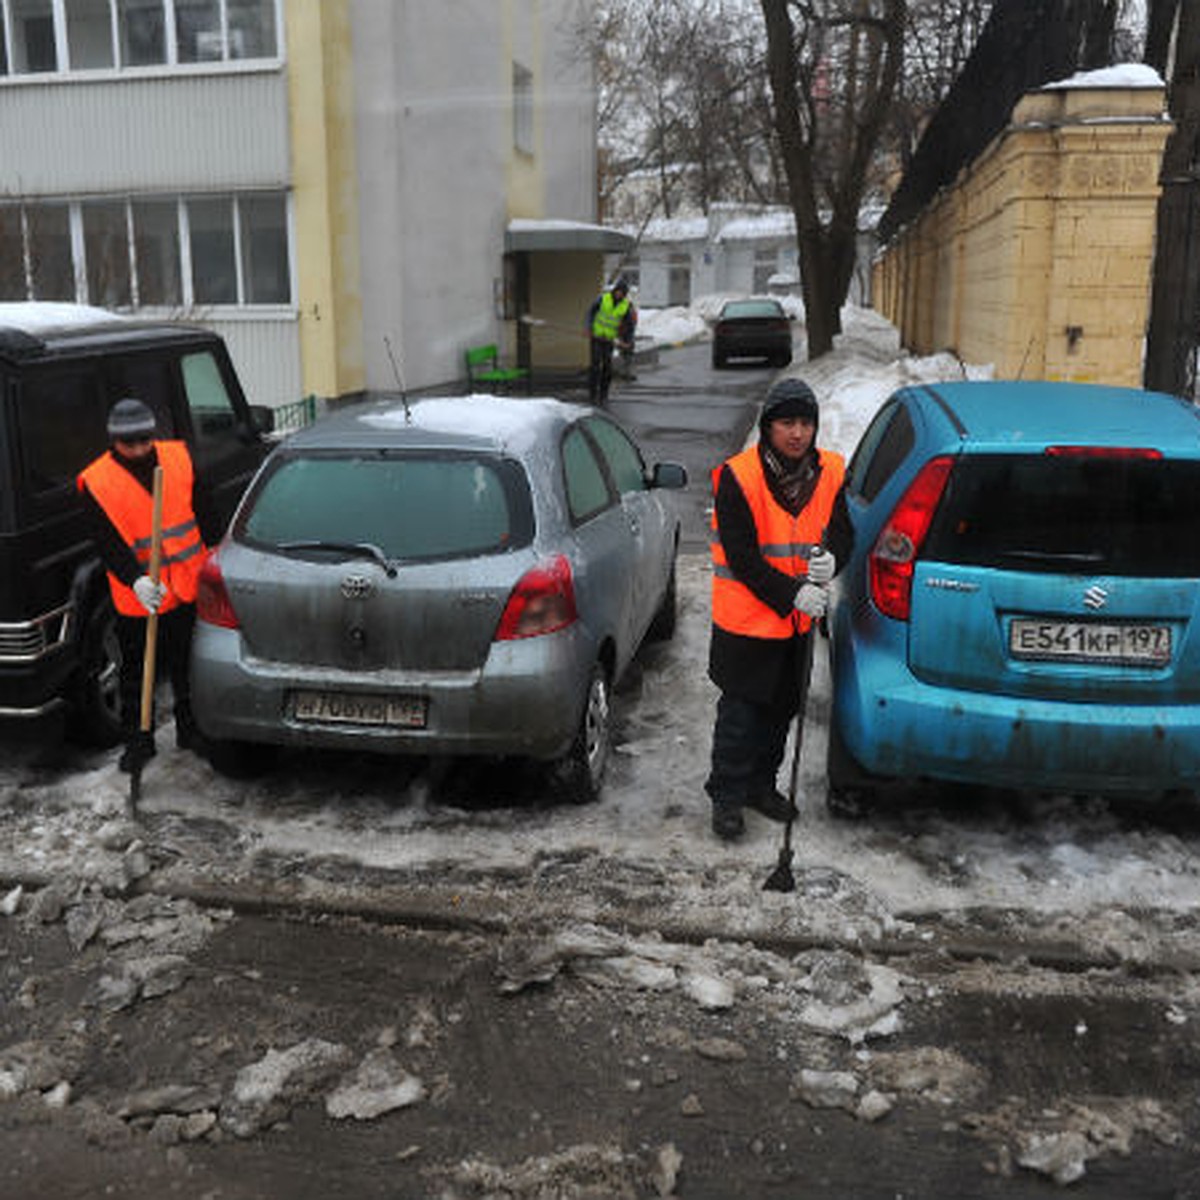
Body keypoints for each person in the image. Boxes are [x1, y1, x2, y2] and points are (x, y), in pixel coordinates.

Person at [706, 377, 853, 842]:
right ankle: (727, 797)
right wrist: (791, 593)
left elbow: (843, 531)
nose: (797, 433)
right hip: (747, 623)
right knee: (741, 716)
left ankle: (760, 787)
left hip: (796, 625)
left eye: (806, 422)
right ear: (768, 426)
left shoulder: (831, 471)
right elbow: (743, 556)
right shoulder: (738, 476)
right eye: (787, 422)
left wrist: (836, 560)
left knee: (781, 710)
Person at [77, 398, 217, 772]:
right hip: (139, 595)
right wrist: (136, 580)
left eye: (145, 441)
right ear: (114, 441)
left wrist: (217, 556)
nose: (140, 449)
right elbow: (106, 542)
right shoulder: (97, 481)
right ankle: (138, 741)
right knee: (137, 670)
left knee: (186, 662)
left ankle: (191, 729)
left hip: (185, 584)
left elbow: (206, 512)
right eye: (130, 443)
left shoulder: (177, 458)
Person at [586, 275, 635, 405]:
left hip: (609, 340)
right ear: (615, 290)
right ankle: (592, 395)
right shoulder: (603, 299)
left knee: (607, 368)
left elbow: (630, 326)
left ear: (624, 294)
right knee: (595, 366)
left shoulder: (626, 306)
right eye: (618, 291)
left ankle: (604, 394)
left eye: (622, 293)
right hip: (596, 337)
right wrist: (589, 327)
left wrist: (628, 342)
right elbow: (590, 313)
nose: (619, 294)